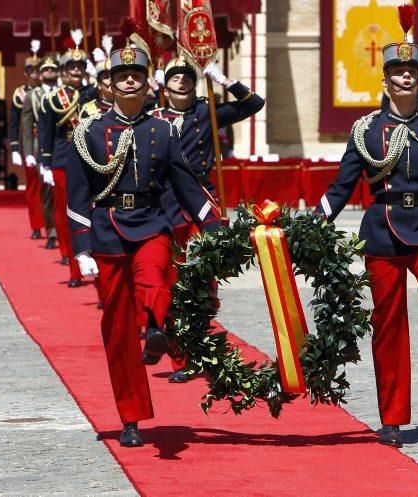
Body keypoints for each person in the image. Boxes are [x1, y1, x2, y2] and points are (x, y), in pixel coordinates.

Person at [316, 8, 418, 448]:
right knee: (389, 325)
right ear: (385, 80)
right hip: (381, 230)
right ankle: (393, 418)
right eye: (397, 72)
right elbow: (342, 185)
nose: (405, 79)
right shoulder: (366, 131)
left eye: (411, 72)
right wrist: (312, 222)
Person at [66, 43, 221, 447]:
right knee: (116, 329)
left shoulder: (162, 131)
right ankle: (131, 417)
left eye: (136, 74)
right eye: (121, 76)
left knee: (154, 273)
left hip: (152, 222)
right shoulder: (89, 133)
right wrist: (80, 248)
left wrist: (216, 225)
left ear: (148, 81)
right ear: (110, 86)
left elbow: (187, 184)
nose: (129, 80)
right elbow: (78, 194)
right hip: (106, 229)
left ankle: (155, 329)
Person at [151, 55, 264, 383]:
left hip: (201, 200)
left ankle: (203, 352)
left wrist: (223, 79)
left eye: (188, 77)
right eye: (175, 78)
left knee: (202, 282)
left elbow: (253, 103)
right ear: (165, 85)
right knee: (172, 282)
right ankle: (181, 357)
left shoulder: (206, 112)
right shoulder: (154, 118)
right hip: (167, 203)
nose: (182, 81)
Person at [39, 32, 96, 287]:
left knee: (91, 214)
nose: (76, 70)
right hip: (63, 160)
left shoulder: (93, 93)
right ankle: (72, 266)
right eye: (71, 67)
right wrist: (45, 162)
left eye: (79, 67)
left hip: (91, 159)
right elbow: (47, 132)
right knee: (66, 214)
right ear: (63, 71)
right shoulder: (54, 98)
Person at [22, 54, 59, 247]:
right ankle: (51, 231)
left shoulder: (65, 93)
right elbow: (26, 126)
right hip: (40, 145)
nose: (49, 72)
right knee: (46, 191)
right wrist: (27, 152)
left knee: (63, 190)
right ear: (41, 73)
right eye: (46, 69)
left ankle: (64, 231)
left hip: (61, 145)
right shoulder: (31, 96)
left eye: (53, 69)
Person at [10, 40, 45, 238]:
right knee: (33, 186)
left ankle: (50, 224)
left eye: (37, 70)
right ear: (26, 73)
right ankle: (36, 224)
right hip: (30, 142)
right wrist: (15, 147)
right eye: (31, 71)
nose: (34, 74)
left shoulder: (49, 91)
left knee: (48, 187)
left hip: (47, 142)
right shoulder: (19, 94)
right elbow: (14, 123)